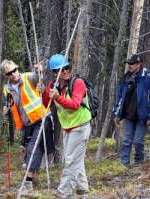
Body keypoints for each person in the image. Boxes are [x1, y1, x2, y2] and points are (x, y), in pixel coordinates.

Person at [38, 54, 92, 198]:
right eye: (61, 70)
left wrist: (58, 97)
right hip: (67, 128)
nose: (66, 71)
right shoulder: (52, 86)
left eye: (67, 68)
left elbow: (74, 105)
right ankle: (82, 189)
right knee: (75, 159)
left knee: (70, 160)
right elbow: (47, 104)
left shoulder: (78, 83)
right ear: (55, 73)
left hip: (81, 126)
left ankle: (63, 193)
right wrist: (44, 93)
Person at [1, 60, 55, 194]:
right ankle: (32, 178)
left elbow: (37, 77)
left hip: (42, 119)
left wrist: (38, 70)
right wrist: (6, 110)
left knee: (34, 147)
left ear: (17, 68)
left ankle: (28, 183)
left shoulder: (27, 77)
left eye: (14, 70)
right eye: (10, 73)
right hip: (27, 125)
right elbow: (11, 106)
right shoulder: (7, 89)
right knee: (27, 153)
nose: (14, 74)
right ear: (6, 75)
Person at [112, 54, 150, 168]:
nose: (129, 66)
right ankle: (124, 164)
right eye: (128, 63)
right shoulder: (126, 77)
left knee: (138, 141)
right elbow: (120, 97)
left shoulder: (147, 76)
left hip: (142, 116)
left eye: (132, 63)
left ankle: (139, 162)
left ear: (139, 64)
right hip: (128, 115)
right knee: (126, 141)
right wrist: (117, 113)